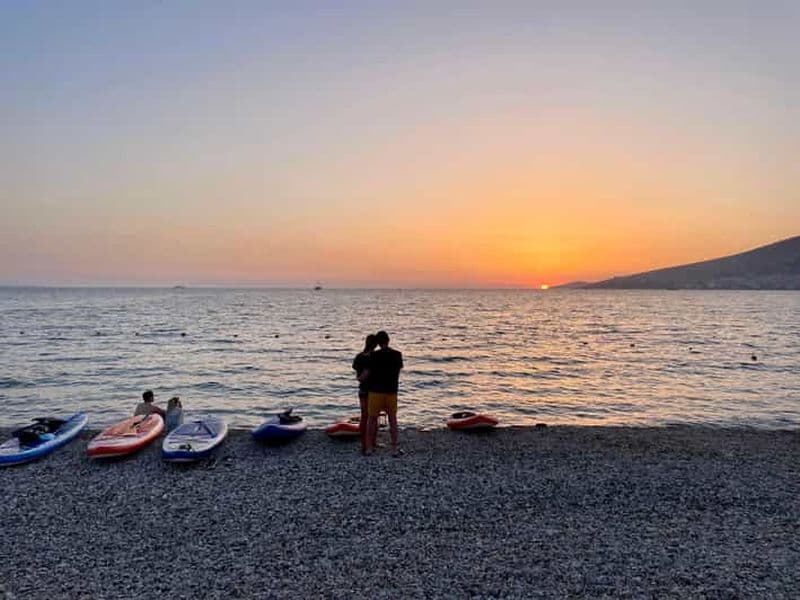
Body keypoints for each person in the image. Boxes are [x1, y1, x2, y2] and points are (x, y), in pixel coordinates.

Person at [365, 330, 403, 457]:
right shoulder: (397, 355)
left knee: (371, 419)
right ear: (388, 340)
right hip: (391, 391)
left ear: (378, 343)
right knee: (392, 419)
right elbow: (398, 371)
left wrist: (360, 378)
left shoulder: (373, 356)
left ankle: (369, 448)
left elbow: (368, 373)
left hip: (375, 391)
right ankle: (394, 448)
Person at [352, 334, 378, 454]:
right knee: (373, 417)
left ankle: (363, 443)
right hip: (374, 389)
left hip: (362, 389)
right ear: (375, 345)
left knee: (364, 416)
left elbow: (356, 372)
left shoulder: (359, 356)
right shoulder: (375, 357)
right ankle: (372, 442)